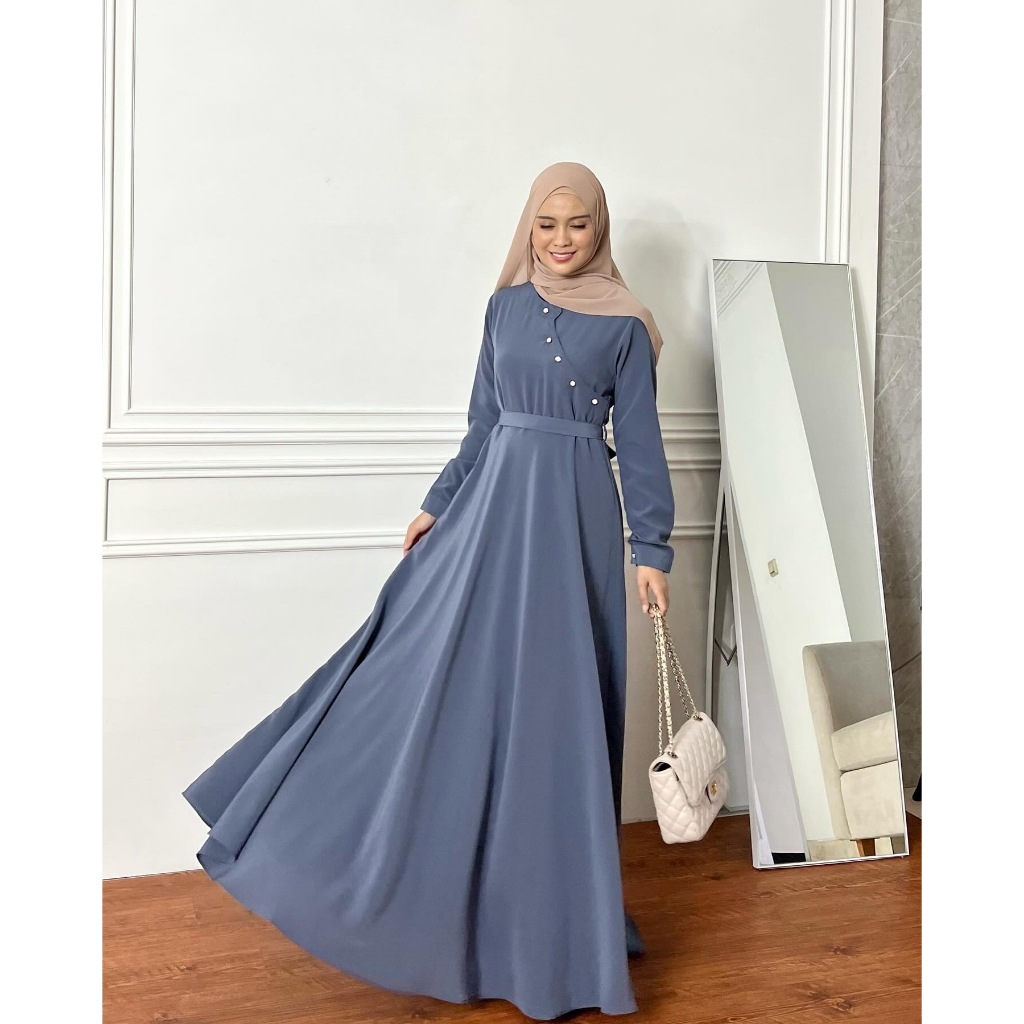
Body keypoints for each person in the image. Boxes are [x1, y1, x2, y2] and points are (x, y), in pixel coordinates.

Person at [182, 161, 675, 1020]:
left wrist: (652, 549)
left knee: (553, 715)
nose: (561, 240)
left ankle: (555, 935)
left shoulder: (628, 324)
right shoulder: (503, 309)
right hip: (490, 516)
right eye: (547, 224)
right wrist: (437, 504)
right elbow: (482, 425)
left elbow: (638, 442)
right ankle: (398, 885)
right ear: (528, 228)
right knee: (436, 681)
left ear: (600, 230)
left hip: (574, 527)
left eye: (578, 225)